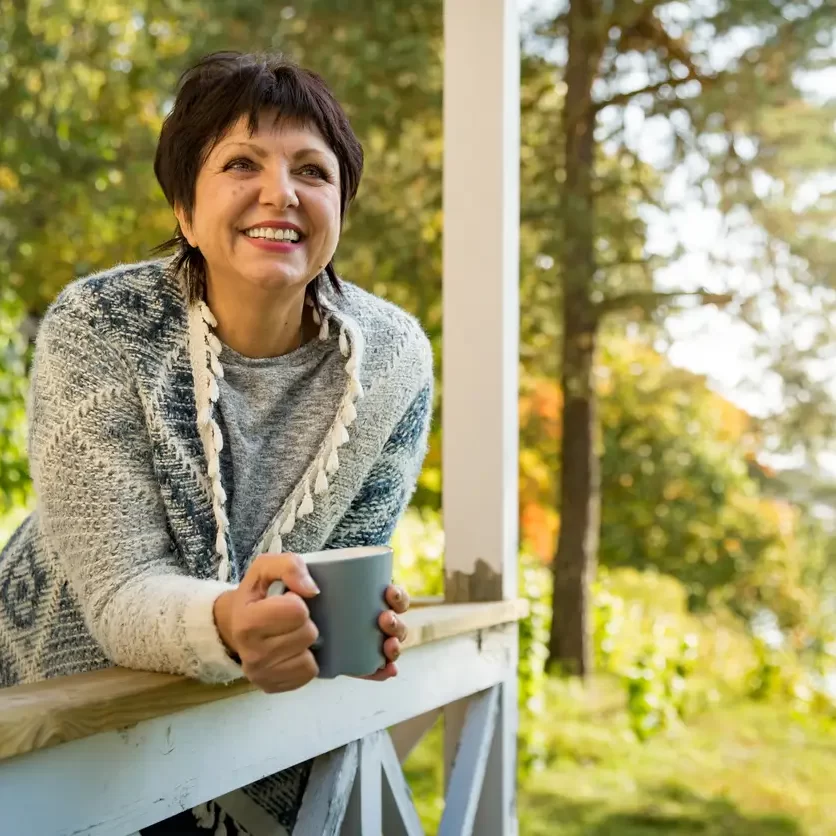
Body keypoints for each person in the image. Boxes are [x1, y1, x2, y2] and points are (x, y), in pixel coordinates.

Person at [0, 51, 433, 834]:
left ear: (341, 206)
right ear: (185, 211)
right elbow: (119, 589)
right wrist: (229, 621)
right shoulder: (99, 325)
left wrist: (356, 623)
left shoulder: (395, 356)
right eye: (241, 163)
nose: (281, 192)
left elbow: (350, 559)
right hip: (47, 700)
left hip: (242, 733)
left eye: (313, 169)